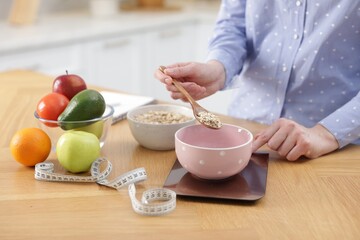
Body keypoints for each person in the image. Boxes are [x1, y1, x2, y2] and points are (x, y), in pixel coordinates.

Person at [154, 0, 360, 161]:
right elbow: (233, 26)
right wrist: (218, 69)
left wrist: (325, 134)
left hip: (336, 148)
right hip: (246, 130)